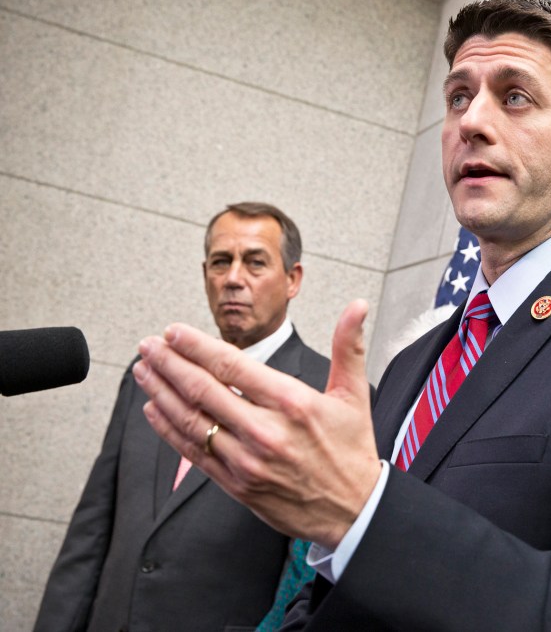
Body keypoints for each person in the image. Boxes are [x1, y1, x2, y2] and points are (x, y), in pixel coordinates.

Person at [134, 0, 551, 631]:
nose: (472, 122)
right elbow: (329, 589)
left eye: (514, 97)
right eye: (458, 97)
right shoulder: (414, 360)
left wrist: (362, 515)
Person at [34, 202, 330, 632]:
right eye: (221, 262)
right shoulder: (151, 372)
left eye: (255, 262)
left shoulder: (324, 395)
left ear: (292, 279)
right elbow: (91, 530)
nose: (233, 279)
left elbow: (308, 574)